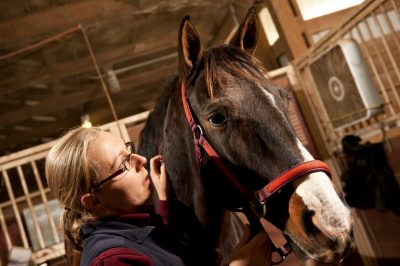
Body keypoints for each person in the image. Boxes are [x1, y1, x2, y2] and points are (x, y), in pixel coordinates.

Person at [45, 127, 271, 265]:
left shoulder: (129, 225)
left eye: (129, 150)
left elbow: (156, 249)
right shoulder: (112, 260)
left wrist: (162, 200)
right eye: (124, 164)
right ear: (94, 201)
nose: (141, 160)